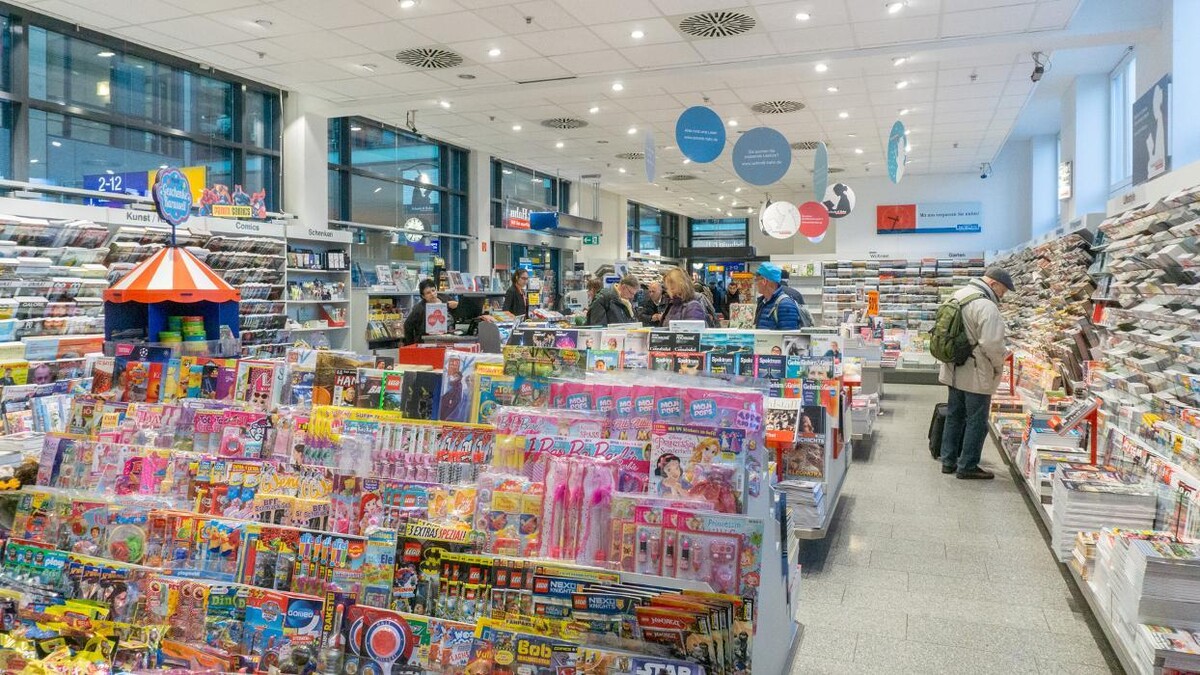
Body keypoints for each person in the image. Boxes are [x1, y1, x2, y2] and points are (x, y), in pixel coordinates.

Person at [939, 267, 1014, 480]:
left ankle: (948, 460)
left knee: (954, 415)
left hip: (954, 367)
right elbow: (991, 344)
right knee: (976, 420)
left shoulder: (957, 295)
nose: (1003, 295)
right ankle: (968, 465)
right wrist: (999, 365)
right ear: (993, 284)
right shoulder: (986, 306)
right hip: (975, 372)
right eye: (1003, 290)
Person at [403, 279, 459, 345]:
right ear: (423, 296)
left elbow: (458, 314)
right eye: (428, 293)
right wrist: (411, 345)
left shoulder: (445, 298)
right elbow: (407, 325)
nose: (432, 294)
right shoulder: (419, 308)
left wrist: (456, 306)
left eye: (433, 290)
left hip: (449, 338)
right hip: (426, 341)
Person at [753, 262, 801, 330]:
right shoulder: (764, 302)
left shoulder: (785, 305)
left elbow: (789, 337)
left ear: (764, 281)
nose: (756, 284)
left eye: (756, 280)